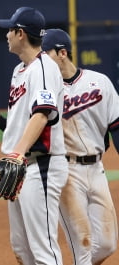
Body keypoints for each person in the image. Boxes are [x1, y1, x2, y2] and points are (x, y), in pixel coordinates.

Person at [0, 7, 69, 265]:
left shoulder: (44, 68)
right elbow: (23, 125)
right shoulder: (20, 71)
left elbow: (42, 114)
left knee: (43, 250)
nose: (6, 35)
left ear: (21, 34)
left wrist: (16, 154)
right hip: (21, 167)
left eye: (10, 30)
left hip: (41, 165)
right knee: (21, 248)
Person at [41, 28, 119, 265]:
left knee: (107, 244)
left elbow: (116, 127)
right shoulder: (44, 90)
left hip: (97, 170)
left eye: (45, 54)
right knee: (82, 244)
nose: (40, 60)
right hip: (66, 173)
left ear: (62, 53)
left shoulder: (100, 82)